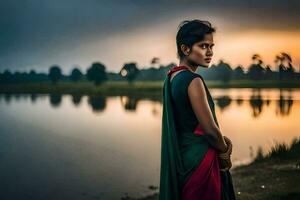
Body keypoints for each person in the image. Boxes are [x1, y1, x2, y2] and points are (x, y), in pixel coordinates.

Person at [159, 19, 236, 200]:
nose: (210, 52)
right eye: (203, 46)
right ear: (185, 49)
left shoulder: (171, 78)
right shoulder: (193, 81)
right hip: (200, 159)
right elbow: (209, 130)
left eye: (211, 46)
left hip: (184, 157)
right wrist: (225, 150)